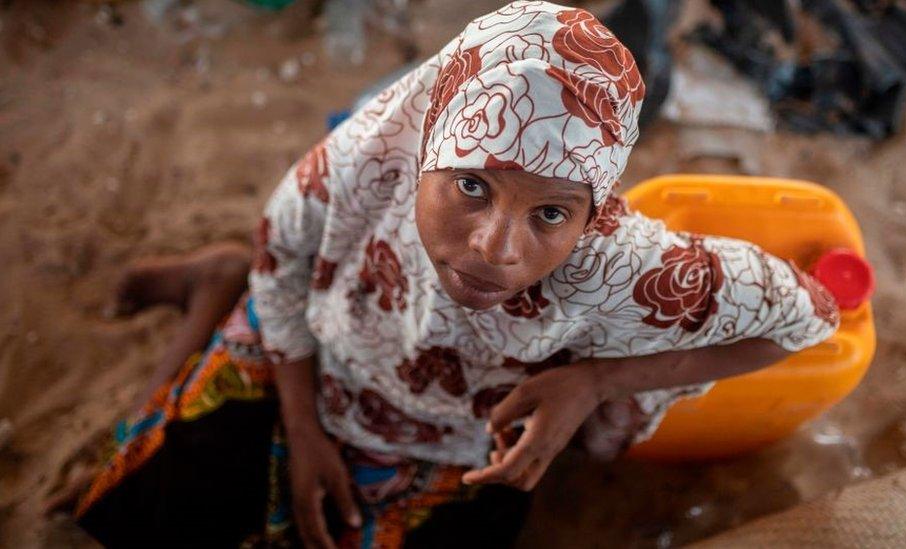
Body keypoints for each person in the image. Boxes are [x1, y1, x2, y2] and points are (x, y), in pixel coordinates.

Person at [54, 2, 840, 547]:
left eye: (550, 214)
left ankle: (210, 293)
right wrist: (302, 422)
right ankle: (218, 284)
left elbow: (809, 317)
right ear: (428, 146)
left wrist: (597, 382)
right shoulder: (370, 160)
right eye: (472, 185)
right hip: (315, 352)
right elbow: (284, 255)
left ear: (592, 210)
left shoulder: (621, 267)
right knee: (143, 512)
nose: (497, 249)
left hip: (451, 439)